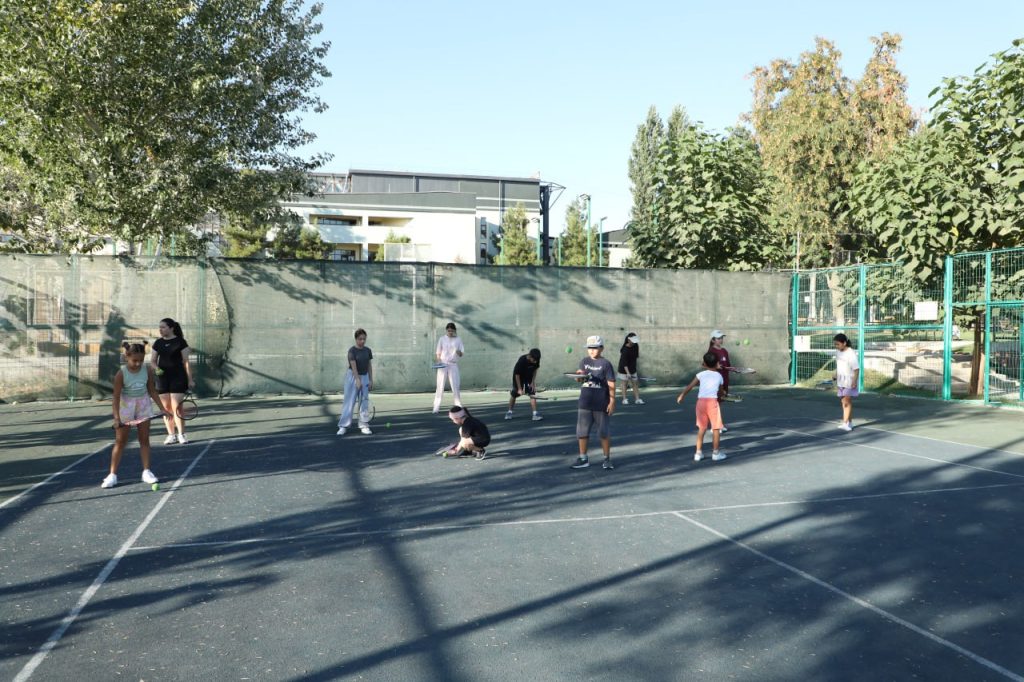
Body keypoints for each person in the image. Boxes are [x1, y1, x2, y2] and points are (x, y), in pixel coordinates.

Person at [103, 342, 171, 488]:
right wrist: (117, 418)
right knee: (120, 441)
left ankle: (146, 472)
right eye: (135, 360)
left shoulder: (147, 370)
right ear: (126, 356)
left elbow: (152, 391)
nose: (138, 363)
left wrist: (162, 409)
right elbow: (116, 398)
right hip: (126, 406)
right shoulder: (121, 374)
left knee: (144, 439)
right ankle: (112, 475)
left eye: (141, 360)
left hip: (143, 405)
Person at [570, 335, 616, 470]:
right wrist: (578, 376)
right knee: (582, 432)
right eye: (589, 348)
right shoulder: (584, 361)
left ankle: (607, 459)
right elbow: (581, 379)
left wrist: (612, 401)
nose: (591, 350)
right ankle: (583, 458)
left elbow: (611, 383)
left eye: (595, 348)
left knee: (603, 433)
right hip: (585, 403)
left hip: (601, 404)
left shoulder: (606, 364)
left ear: (602, 348)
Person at [676, 352, 727, 462]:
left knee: (702, 428)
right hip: (712, 404)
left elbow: (690, 386)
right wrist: (723, 394)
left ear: (704, 364)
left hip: (701, 403)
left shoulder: (700, 374)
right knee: (716, 428)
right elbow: (721, 392)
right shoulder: (719, 376)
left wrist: (682, 395)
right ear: (717, 363)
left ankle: (698, 454)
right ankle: (716, 453)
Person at [151, 318, 195, 444]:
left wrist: (190, 380)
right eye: (159, 327)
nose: (160, 330)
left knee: (177, 407)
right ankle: (171, 435)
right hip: (162, 379)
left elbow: (186, 362)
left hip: (178, 377)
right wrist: (156, 368)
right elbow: (153, 361)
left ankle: (181, 434)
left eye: (163, 327)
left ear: (171, 328)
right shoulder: (158, 343)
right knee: (166, 408)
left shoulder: (180, 342)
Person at [337, 328, 374, 436]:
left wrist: (371, 379)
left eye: (364, 339)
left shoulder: (368, 350)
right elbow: (353, 367)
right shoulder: (351, 351)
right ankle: (343, 426)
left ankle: (364, 425)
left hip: (365, 377)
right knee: (349, 402)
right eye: (360, 339)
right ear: (356, 339)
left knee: (364, 402)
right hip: (352, 377)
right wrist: (357, 380)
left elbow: (369, 365)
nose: (362, 341)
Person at [433, 322, 465, 413]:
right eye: (448, 331)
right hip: (443, 364)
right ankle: (436, 406)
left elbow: (461, 354)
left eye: (452, 331)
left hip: (453, 364)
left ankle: (458, 405)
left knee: (455, 385)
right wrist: (439, 362)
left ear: (454, 330)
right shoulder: (442, 339)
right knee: (440, 386)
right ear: (446, 330)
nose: (450, 332)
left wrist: (458, 352)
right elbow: (438, 352)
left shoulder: (458, 339)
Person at [506, 348, 543, 421]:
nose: (535, 362)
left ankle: (535, 414)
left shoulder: (536, 359)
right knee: (514, 394)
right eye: (534, 360)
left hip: (528, 377)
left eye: (536, 360)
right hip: (519, 378)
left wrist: (532, 382)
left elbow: (535, 370)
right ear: (530, 356)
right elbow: (517, 375)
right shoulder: (522, 361)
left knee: (532, 393)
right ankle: (509, 412)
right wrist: (519, 389)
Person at [833, 333, 859, 432]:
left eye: (838, 344)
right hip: (840, 381)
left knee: (847, 402)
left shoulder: (851, 353)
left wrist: (854, 381)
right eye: (835, 344)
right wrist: (835, 374)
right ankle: (850, 423)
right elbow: (839, 365)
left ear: (844, 343)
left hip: (849, 381)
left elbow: (856, 369)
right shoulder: (838, 352)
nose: (836, 346)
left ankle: (845, 423)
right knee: (843, 401)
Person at [618, 333, 644, 405]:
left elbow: (635, 358)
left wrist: (633, 370)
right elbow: (624, 363)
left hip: (632, 368)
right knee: (624, 383)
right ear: (628, 340)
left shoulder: (636, 346)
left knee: (635, 383)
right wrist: (628, 373)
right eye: (633, 341)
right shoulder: (625, 350)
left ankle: (637, 399)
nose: (634, 342)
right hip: (623, 369)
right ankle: (624, 399)